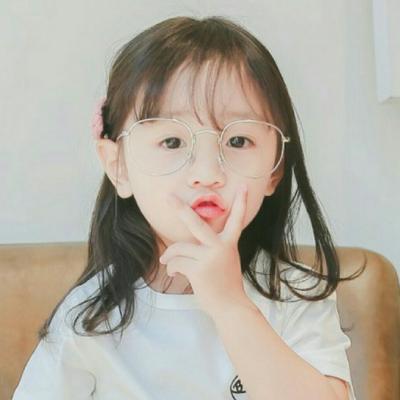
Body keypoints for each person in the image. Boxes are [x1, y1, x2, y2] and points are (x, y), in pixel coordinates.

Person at [12, 15, 364, 400]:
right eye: (172, 142)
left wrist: (231, 306)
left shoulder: (297, 296)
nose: (207, 173)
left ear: (275, 169)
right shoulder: (89, 320)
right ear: (118, 166)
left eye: (239, 141)